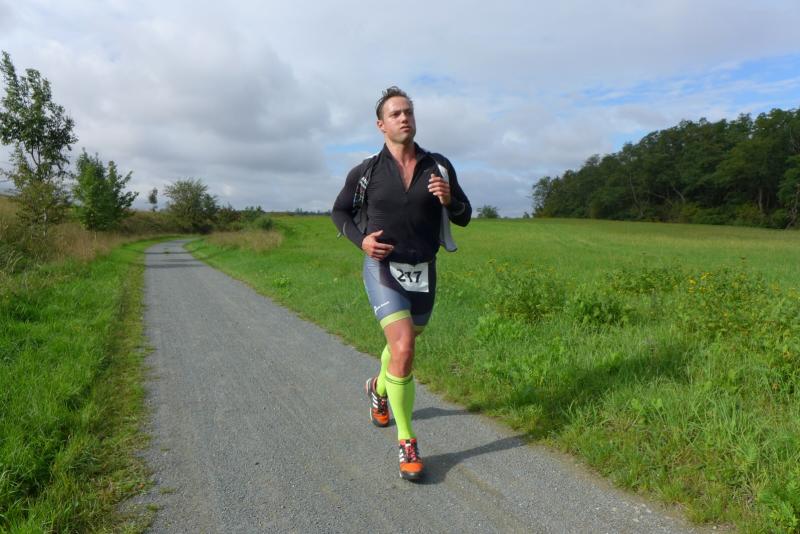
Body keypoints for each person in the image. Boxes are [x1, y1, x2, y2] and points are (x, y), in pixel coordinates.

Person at [331, 86, 472, 480]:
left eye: (408, 112)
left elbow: (464, 216)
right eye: (395, 113)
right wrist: (361, 241)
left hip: (424, 268)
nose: (404, 118)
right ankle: (407, 441)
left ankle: (378, 388)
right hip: (383, 268)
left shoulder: (438, 166)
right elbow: (339, 211)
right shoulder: (366, 172)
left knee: (403, 347)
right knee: (404, 346)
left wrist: (450, 200)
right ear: (381, 125)